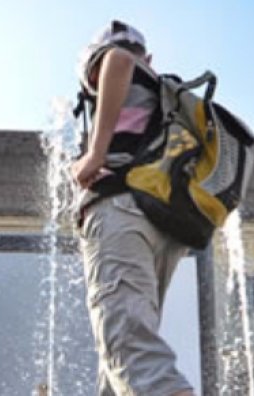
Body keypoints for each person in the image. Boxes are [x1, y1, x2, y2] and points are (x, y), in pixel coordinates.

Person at [71, 20, 195, 396]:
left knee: (128, 346)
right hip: (161, 221)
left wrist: (94, 153)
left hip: (119, 205)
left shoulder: (120, 62)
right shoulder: (162, 94)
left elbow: (120, 60)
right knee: (120, 355)